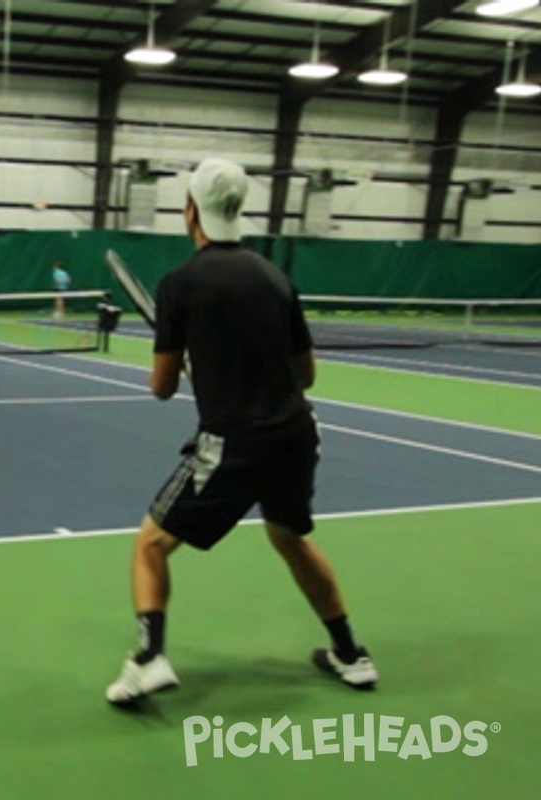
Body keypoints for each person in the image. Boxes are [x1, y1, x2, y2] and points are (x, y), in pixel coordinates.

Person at [105, 158, 378, 706]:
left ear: (190, 210)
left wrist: (184, 365)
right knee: (290, 537)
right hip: (297, 436)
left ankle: (149, 658)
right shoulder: (276, 279)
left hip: (236, 444)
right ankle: (351, 655)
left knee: (151, 545)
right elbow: (306, 374)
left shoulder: (179, 283)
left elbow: (161, 387)